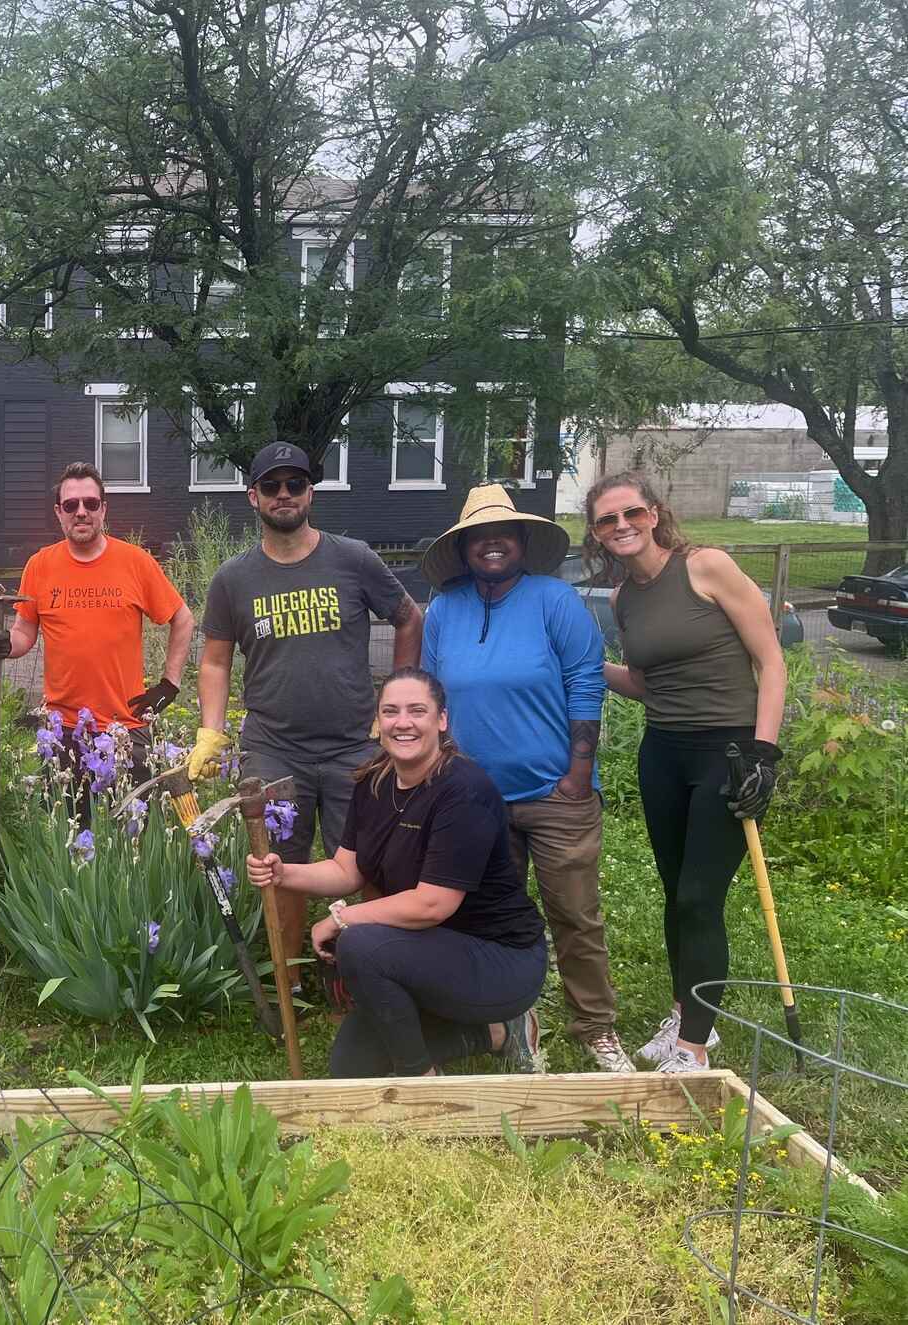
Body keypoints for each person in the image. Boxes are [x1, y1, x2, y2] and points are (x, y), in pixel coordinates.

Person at [193, 440, 423, 992]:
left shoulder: (353, 558)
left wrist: (393, 704)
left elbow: (409, 618)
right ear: (254, 497)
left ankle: (364, 972)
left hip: (354, 747)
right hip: (275, 746)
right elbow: (216, 659)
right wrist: (211, 730)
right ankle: (290, 977)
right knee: (280, 866)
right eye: (271, 486)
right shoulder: (234, 578)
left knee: (366, 864)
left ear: (309, 493)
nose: (284, 494)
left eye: (295, 484)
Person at [419, 485, 634, 1073]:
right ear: (462, 549)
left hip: (553, 792)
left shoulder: (555, 601)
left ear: (521, 542)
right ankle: (507, 1021)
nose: (492, 543)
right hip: (474, 798)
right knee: (489, 917)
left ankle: (595, 1026)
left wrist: (578, 773)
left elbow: (585, 683)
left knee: (574, 912)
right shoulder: (444, 610)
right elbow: (432, 696)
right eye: (478, 536)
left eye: (503, 533)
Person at [245, 669, 547, 1078]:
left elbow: (431, 904)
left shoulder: (464, 791)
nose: (402, 722)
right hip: (427, 951)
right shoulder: (374, 782)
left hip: (498, 959)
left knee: (361, 945)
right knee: (350, 1069)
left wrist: (340, 919)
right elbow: (345, 870)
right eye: (390, 711)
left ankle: (418, 1078)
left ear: (441, 720)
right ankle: (497, 1034)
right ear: (379, 721)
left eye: (417, 711)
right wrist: (284, 874)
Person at [587, 472, 785, 1073]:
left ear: (654, 514)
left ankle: (695, 1047)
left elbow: (770, 661)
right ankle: (685, 1009)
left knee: (701, 896)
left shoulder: (707, 567)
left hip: (726, 753)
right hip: (663, 754)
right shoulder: (623, 600)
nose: (621, 526)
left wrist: (762, 753)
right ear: (596, 534)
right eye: (606, 520)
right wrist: (585, 664)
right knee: (676, 891)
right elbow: (646, 684)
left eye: (631, 513)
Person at [0, 461, 195, 812]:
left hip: (125, 728)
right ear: (59, 512)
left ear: (103, 509)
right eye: (71, 505)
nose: (81, 512)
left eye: (90, 504)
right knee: (73, 843)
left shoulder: (135, 562)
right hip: (64, 730)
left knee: (133, 841)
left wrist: (169, 684)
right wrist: (6, 645)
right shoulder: (40, 565)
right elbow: (24, 631)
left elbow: (182, 618)